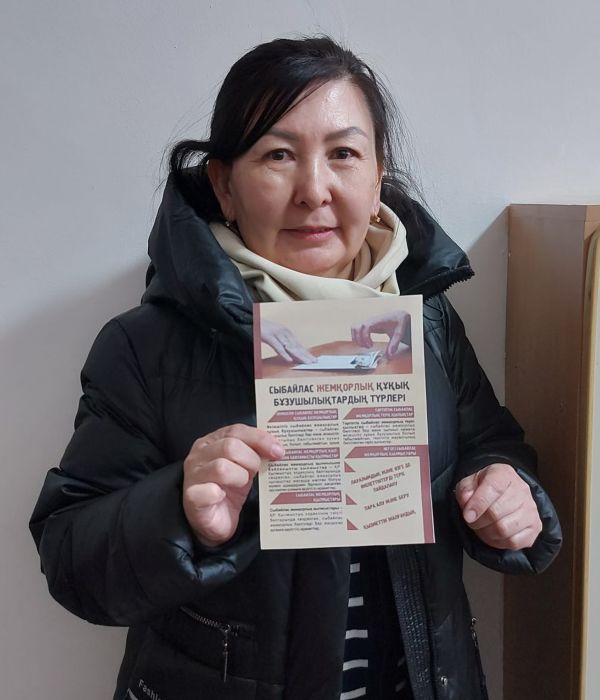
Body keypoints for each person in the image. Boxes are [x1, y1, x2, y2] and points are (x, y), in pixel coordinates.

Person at [30, 36, 562, 700]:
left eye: (343, 154)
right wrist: (178, 508)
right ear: (224, 185)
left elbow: (491, 444)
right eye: (278, 155)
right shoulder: (145, 347)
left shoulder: (427, 321)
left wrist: (505, 488)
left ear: (377, 178)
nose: (314, 191)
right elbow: (72, 560)